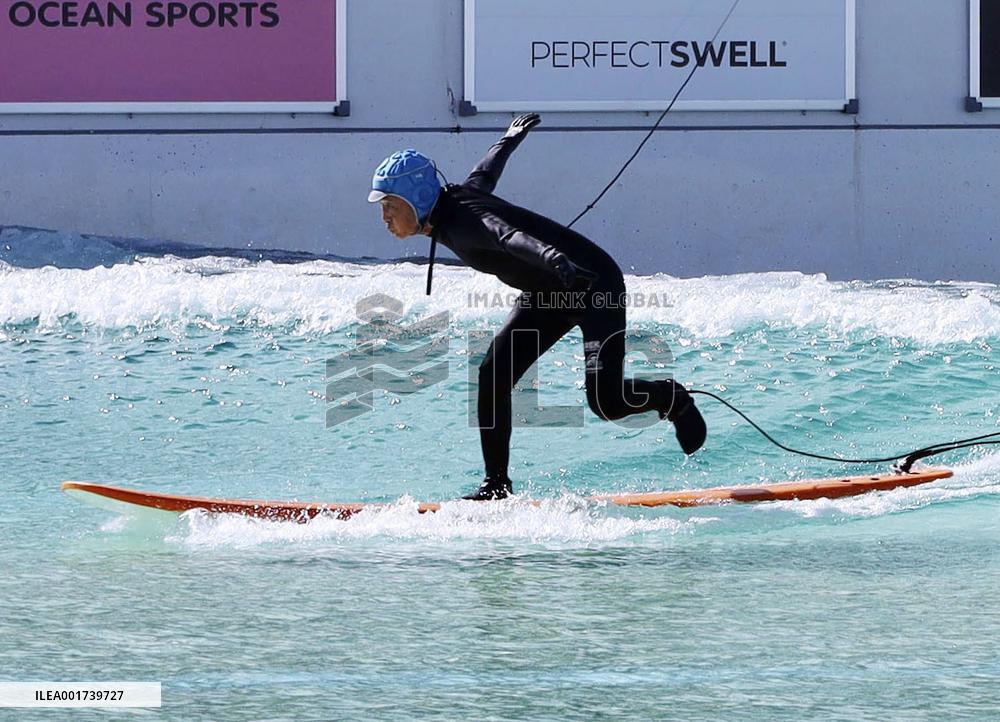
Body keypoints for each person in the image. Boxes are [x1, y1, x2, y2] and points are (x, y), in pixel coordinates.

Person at [368, 114, 707, 500]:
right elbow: (485, 173)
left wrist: (553, 258)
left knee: (606, 402)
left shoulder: (465, 221)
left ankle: (671, 398)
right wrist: (508, 139)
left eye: (389, 205)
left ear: (415, 198)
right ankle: (496, 484)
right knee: (493, 372)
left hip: (591, 284)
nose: (385, 217)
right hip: (547, 291)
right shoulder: (456, 201)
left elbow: (508, 236)